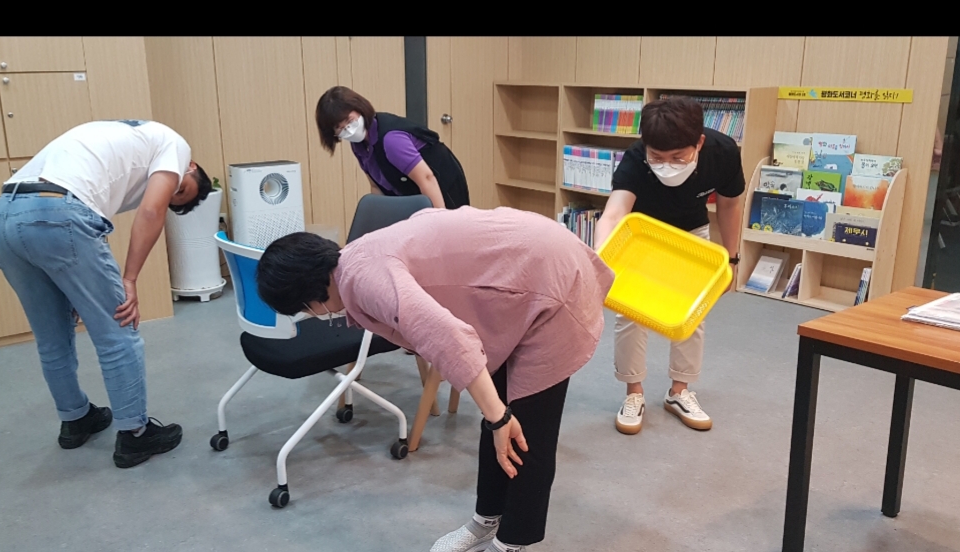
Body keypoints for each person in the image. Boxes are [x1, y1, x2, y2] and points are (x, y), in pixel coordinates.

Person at [255, 206, 615, 552]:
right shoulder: (350, 262)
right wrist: (495, 415)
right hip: (517, 273)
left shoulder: (364, 280)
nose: (310, 315)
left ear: (309, 297)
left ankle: (511, 542)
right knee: (497, 415)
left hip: (552, 279)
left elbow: (448, 337)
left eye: (302, 310)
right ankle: (486, 521)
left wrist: (499, 417)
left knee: (524, 430)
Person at [0, 119, 213, 468]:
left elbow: (83, 213)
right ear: (192, 167)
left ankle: (76, 419)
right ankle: (135, 435)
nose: (170, 194)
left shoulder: (127, 138)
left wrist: (80, 287)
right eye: (180, 189)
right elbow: (150, 211)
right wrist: (130, 279)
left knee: (52, 335)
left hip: (5, 216)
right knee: (118, 331)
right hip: (55, 211)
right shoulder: (176, 146)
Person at [592, 97, 744, 436]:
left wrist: (732, 259)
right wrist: (602, 258)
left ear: (699, 143)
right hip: (643, 235)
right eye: (657, 157)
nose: (667, 166)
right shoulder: (635, 159)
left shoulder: (723, 152)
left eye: (678, 157)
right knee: (630, 313)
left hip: (691, 234)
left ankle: (679, 391)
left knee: (692, 311)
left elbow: (730, 206)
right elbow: (614, 214)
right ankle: (633, 393)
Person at [315, 85, 470, 210]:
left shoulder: (391, 140)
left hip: (441, 188)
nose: (348, 129)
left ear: (359, 108)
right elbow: (376, 187)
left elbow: (426, 178)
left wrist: (439, 221)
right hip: (411, 194)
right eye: (339, 128)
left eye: (349, 121)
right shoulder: (358, 145)